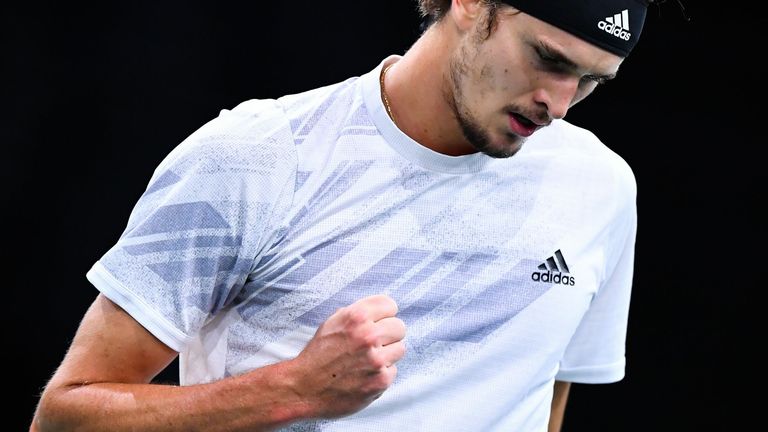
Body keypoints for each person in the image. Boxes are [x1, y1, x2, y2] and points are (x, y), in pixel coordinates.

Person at [31, 0, 648, 430]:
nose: (559, 104)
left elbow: (542, 398)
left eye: (590, 80)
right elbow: (66, 417)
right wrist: (293, 390)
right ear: (470, 4)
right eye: (548, 58)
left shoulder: (601, 188)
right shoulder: (255, 156)